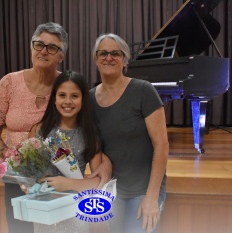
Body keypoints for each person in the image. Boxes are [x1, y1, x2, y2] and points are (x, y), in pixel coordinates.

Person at [0, 22, 111, 233]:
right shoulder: (9, 83)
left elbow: (88, 134)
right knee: (20, 229)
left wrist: (104, 168)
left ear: (61, 55)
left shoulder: (66, 86)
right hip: (19, 180)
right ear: (31, 46)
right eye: (39, 44)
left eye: (52, 47)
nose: (43, 51)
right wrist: (20, 166)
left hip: (61, 185)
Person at [89, 33, 169, 233]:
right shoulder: (89, 98)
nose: (109, 57)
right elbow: (92, 142)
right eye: (103, 53)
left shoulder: (143, 90)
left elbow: (162, 145)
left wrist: (151, 197)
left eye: (116, 53)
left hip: (143, 190)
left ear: (125, 60)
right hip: (113, 189)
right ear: (96, 59)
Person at [28, 70, 108, 233]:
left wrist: (69, 184)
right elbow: (28, 172)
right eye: (62, 95)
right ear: (54, 99)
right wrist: (28, 184)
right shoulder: (39, 130)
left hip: (74, 211)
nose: (68, 101)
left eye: (74, 96)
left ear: (83, 100)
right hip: (44, 210)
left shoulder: (90, 134)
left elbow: (98, 183)